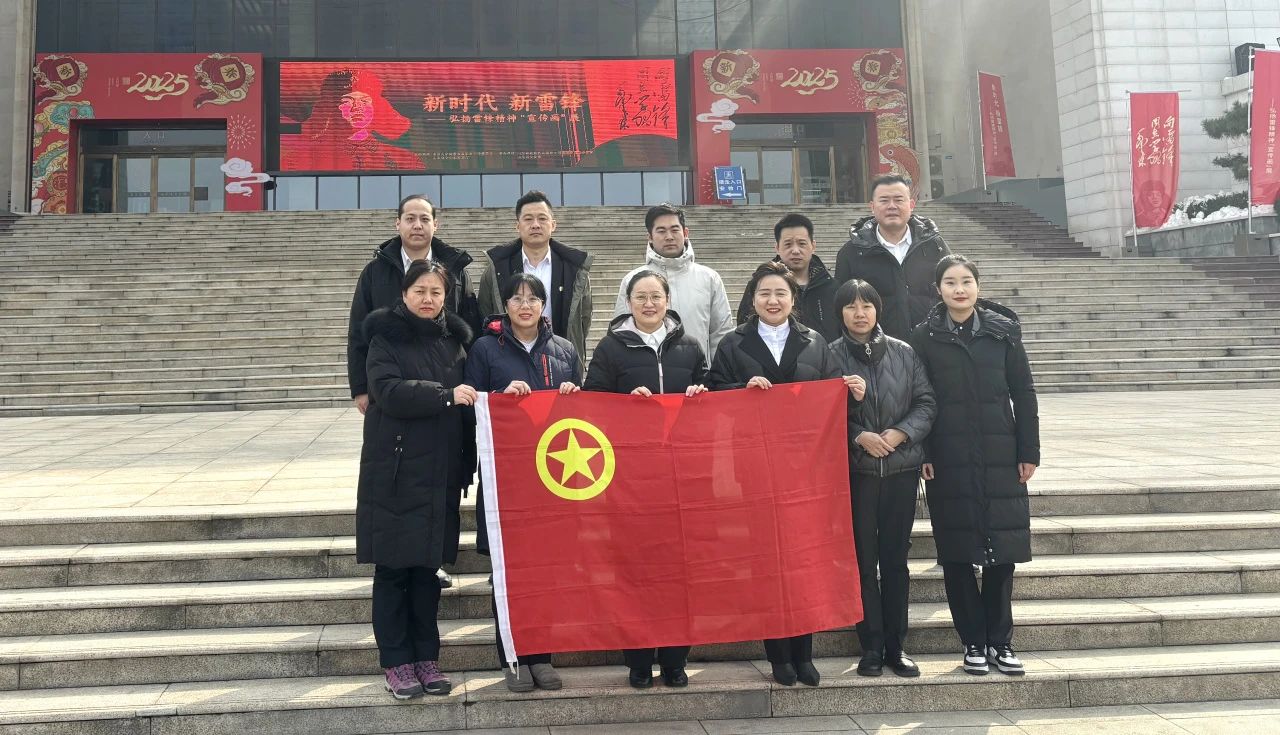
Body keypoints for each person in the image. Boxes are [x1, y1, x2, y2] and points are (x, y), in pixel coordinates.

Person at [707, 261, 848, 688]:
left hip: (805, 469)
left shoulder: (814, 342)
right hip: (755, 466)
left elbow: (830, 393)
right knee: (766, 561)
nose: (773, 300)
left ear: (793, 299)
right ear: (753, 300)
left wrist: (851, 390)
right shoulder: (733, 343)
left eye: (780, 293)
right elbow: (713, 392)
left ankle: (804, 653)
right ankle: (779, 656)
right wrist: (743, 390)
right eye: (765, 293)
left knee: (803, 559)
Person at [908, 254, 1039, 677]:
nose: (959, 289)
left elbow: (1024, 391)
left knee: (1003, 552)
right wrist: (925, 452)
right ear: (938, 289)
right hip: (949, 456)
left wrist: (1029, 451)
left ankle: (1001, 641)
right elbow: (921, 398)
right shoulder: (924, 336)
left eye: (966, 281)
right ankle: (973, 643)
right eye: (950, 282)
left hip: (1001, 453)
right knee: (957, 552)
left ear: (978, 286)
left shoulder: (1004, 332)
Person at [356, 259, 477, 700]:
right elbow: (387, 391)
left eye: (436, 292)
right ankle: (396, 662)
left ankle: (427, 658)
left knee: (427, 571)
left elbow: (469, 407)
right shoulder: (384, 337)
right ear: (404, 294)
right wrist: (444, 397)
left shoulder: (455, 344)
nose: (428, 299)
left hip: (440, 472)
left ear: (447, 297)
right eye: (420, 291)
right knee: (393, 570)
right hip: (395, 471)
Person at [348, 195, 480, 590]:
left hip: (441, 381)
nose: (417, 225)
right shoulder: (377, 271)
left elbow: (466, 327)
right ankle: (395, 559)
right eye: (410, 218)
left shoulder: (455, 268)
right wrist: (361, 387)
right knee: (396, 477)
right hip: (393, 381)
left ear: (436, 224)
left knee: (435, 480)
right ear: (398, 224)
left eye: (425, 218)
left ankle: (431, 562)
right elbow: (358, 330)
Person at [585, 269, 708, 689]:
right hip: (629, 480)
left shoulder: (689, 346)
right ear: (629, 302)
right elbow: (593, 401)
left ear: (668, 300)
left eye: (656, 296)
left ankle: (675, 660)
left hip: (679, 477)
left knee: (679, 573)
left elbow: (709, 396)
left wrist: (700, 394)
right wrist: (624, 403)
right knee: (634, 571)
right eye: (641, 297)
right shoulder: (611, 347)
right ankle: (638, 660)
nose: (649, 304)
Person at [464, 273, 581, 693]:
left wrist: (574, 393)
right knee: (508, 572)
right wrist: (498, 398)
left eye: (533, 298)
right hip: (507, 480)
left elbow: (584, 415)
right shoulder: (485, 348)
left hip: (552, 479)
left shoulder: (564, 349)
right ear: (506, 305)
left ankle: (542, 655)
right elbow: (471, 405)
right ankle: (513, 657)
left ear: (544, 305)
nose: (525, 305)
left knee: (547, 571)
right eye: (516, 298)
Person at [828, 279, 936, 679]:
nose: (860, 313)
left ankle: (897, 645)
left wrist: (900, 433)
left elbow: (926, 402)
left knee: (895, 561)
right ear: (840, 313)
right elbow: (819, 414)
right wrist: (858, 435)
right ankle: (871, 646)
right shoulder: (829, 355)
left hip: (900, 470)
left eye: (867, 305)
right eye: (851, 306)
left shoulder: (904, 352)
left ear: (878, 309)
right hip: (856, 475)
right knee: (862, 560)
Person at [478, 190, 593, 369]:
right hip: (508, 361)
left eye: (542, 218)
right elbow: (486, 313)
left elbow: (583, 319)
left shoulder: (574, 270)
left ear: (553, 225)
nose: (535, 225)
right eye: (528, 219)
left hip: (560, 362)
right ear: (517, 226)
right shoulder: (497, 269)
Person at [613, 203, 734, 365]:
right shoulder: (632, 280)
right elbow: (621, 332)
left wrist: (718, 374)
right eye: (661, 231)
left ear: (685, 233)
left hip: (698, 375)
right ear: (650, 237)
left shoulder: (709, 278)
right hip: (645, 374)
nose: (669, 236)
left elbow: (721, 333)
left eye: (675, 230)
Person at [834, 174, 951, 339]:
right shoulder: (852, 252)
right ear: (872, 206)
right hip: (877, 347)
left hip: (932, 344)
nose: (892, 206)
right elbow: (841, 306)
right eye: (884, 200)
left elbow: (951, 292)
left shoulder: (935, 246)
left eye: (898, 200)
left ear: (911, 205)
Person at [736, 212, 839, 341]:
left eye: (802, 243)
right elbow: (744, 329)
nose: (795, 250)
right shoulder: (759, 286)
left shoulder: (832, 287)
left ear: (813, 246)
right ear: (777, 248)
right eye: (788, 244)